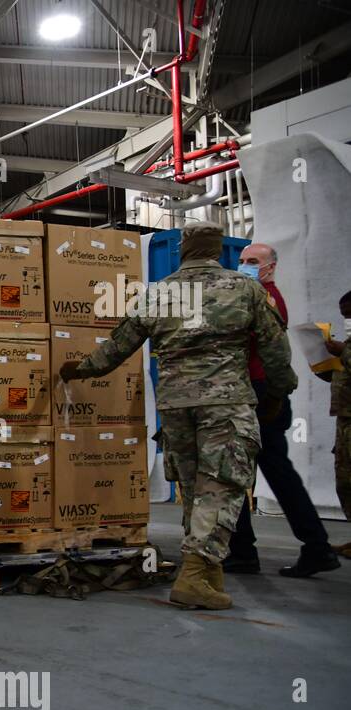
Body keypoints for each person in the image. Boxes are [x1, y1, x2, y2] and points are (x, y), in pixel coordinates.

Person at [59, 221, 296, 610]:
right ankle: (195, 575)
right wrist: (278, 394)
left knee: (192, 487)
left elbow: (119, 346)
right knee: (220, 487)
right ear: (218, 251)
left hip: (176, 407)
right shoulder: (245, 289)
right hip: (226, 404)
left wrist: (79, 369)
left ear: (185, 252)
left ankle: (207, 571)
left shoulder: (159, 293)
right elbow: (275, 353)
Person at [223, 243, 339, 576]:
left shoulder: (264, 299)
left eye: (253, 262)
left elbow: (265, 352)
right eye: (242, 261)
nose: (245, 266)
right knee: (273, 471)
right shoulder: (254, 297)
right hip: (258, 394)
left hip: (258, 395)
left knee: (236, 473)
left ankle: (246, 550)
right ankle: (313, 546)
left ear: (271, 267)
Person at [322, 290, 351, 553]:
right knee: (345, 480)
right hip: (345, 418)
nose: (347, 321)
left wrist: (343, 352)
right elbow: (338, 378)